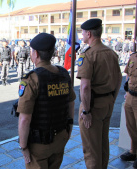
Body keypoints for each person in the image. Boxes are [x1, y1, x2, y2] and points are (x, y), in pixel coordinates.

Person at [17, 33, 76, 169]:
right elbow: (71, 103)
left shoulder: (31, 79)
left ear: (36, 54)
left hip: (39, 144)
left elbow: (25, 118)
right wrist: (69, 130)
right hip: (60, 137)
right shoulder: (63, 73)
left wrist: (23, 146)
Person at [76, 18, 122, 169]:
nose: (81, 35)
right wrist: (112, 99)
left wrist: (87, 111)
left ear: (88, 34)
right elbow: (119, 78)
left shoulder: (88, 55)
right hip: (107, 103)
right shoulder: (111, 53)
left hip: (93, 107)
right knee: (102, 144)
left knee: (91, 149)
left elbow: (85, 87)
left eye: (82, 32)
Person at [120, 51, 137, 168]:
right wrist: (127, 90)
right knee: (130, 126)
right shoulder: (133, 56)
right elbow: (128, 74)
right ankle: (133, 151)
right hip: (130, 96)